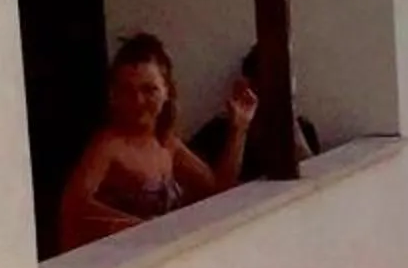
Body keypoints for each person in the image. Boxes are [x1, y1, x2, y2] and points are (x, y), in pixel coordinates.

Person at [58, 33, 255, 253]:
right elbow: (73, 205)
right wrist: (143, 230)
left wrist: (239, 128)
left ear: (167, 91)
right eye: (126, 90)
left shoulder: (167, 144)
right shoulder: (108, 145)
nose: (137, 101)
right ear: (114, 94)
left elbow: (219, 191)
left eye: (148, 89)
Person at [191, 43, 321, 174]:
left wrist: (290, 122)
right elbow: (210, 188)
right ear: (251, 84)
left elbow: (314, 180)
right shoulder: (216, 132)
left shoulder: (303, 128)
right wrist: (238, 129)